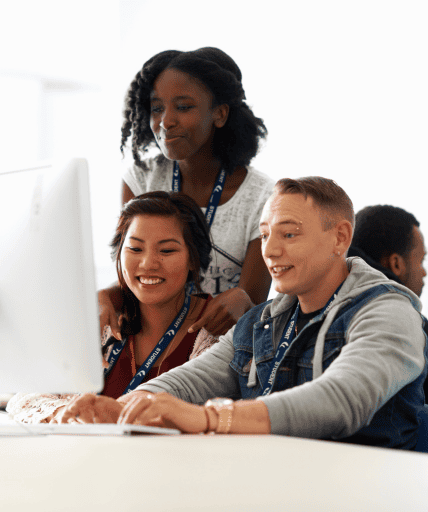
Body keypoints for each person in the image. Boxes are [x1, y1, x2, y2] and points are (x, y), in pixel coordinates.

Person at [55, 177, 427, 450]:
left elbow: (342, 399)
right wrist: (118, 408)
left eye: (289, 234)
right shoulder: (261, 321)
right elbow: (190, 382)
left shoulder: (387, 311)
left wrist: (210, 417)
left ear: (340, 238)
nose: (271, 251)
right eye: (265, 235)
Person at [99, 46, 274, 340]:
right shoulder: (141, 180)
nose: (166, 121)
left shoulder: (262, 198)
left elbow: (249, 301)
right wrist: (106, 295)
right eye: (157, 108)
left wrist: (243, 300)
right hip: (150, 342)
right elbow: (134, 276)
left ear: (220, 113)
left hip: (219, 350)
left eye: (183, 107)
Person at [6, 191, 218, 423]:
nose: (147, 263)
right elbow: (26, 395)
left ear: (193, 259)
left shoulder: (215, 330)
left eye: (166, 250)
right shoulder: (103, 318)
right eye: (135, 249)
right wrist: (69, 415)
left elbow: (209, 413)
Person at [349, 205, 426, 297]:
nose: (424, 273)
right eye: (421, 261)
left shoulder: (335, 305)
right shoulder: (398, 310)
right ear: (396, 264)